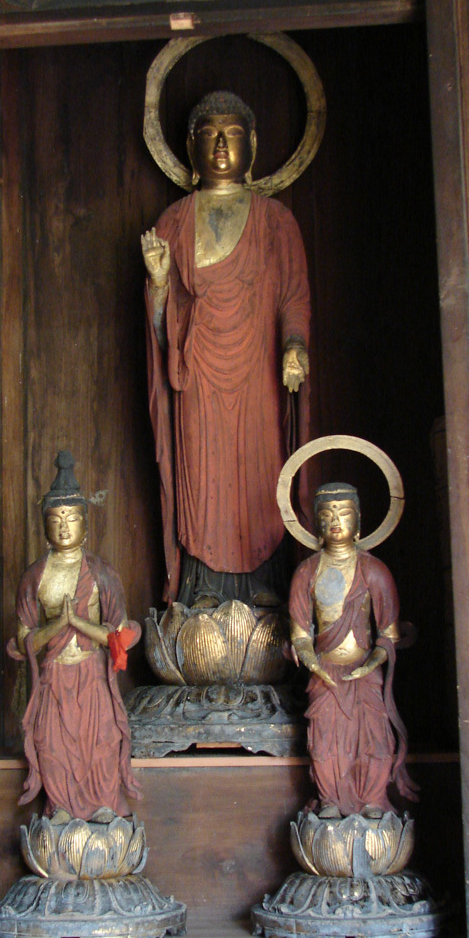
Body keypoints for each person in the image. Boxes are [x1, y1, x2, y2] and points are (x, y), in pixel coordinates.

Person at [142, 91, 311, 608]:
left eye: (232, 134)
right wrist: (158, 285)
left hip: (258, 371)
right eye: (209, 134)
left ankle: (267, 590)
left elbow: (293, 296)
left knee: (259, 472)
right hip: (196, 374)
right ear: (189, 145)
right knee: (202, 475)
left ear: (252, 144)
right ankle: (202, 591)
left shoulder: (276, 221)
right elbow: (161, 330)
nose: (220, 145)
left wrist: (294, 346)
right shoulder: (173, 221)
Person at [7, 451, 141, 823]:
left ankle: (103, 805)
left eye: (72, 519)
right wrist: (57, 625)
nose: (64, 528)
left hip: (91, 673)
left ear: (85, 524)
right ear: (44, 526)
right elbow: (24, 639)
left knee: (100, 741)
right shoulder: (35, 576)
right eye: (56, 520)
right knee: (51, 743)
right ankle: (60, 806)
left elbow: (120, 632)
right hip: (54, 675)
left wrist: (78, 622)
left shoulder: (101, 572)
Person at [288, 482, 418, 818]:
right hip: (326, 672)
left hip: (363, 671)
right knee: (325, 740)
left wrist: (371, 662)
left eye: (344, 513)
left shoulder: (374, 571)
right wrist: (313, 663)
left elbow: (388, 634)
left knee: (373, 738)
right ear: (316, 524)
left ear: (358, 522)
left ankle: (372, 798)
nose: (335, 520)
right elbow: (300, 634)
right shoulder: (306, 572)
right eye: (326, 514)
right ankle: (330, 799)